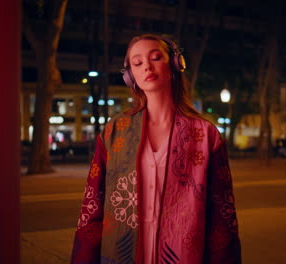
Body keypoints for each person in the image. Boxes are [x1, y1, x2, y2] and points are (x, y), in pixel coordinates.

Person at [71, 34, 241, 264]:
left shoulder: (205, 135)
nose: (147, 67)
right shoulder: (115, 132)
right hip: (121, 254)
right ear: (130, 76)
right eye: (137, 63)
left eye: (155, 57)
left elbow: (222, 214)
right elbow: (92, 207)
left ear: (174, 64)